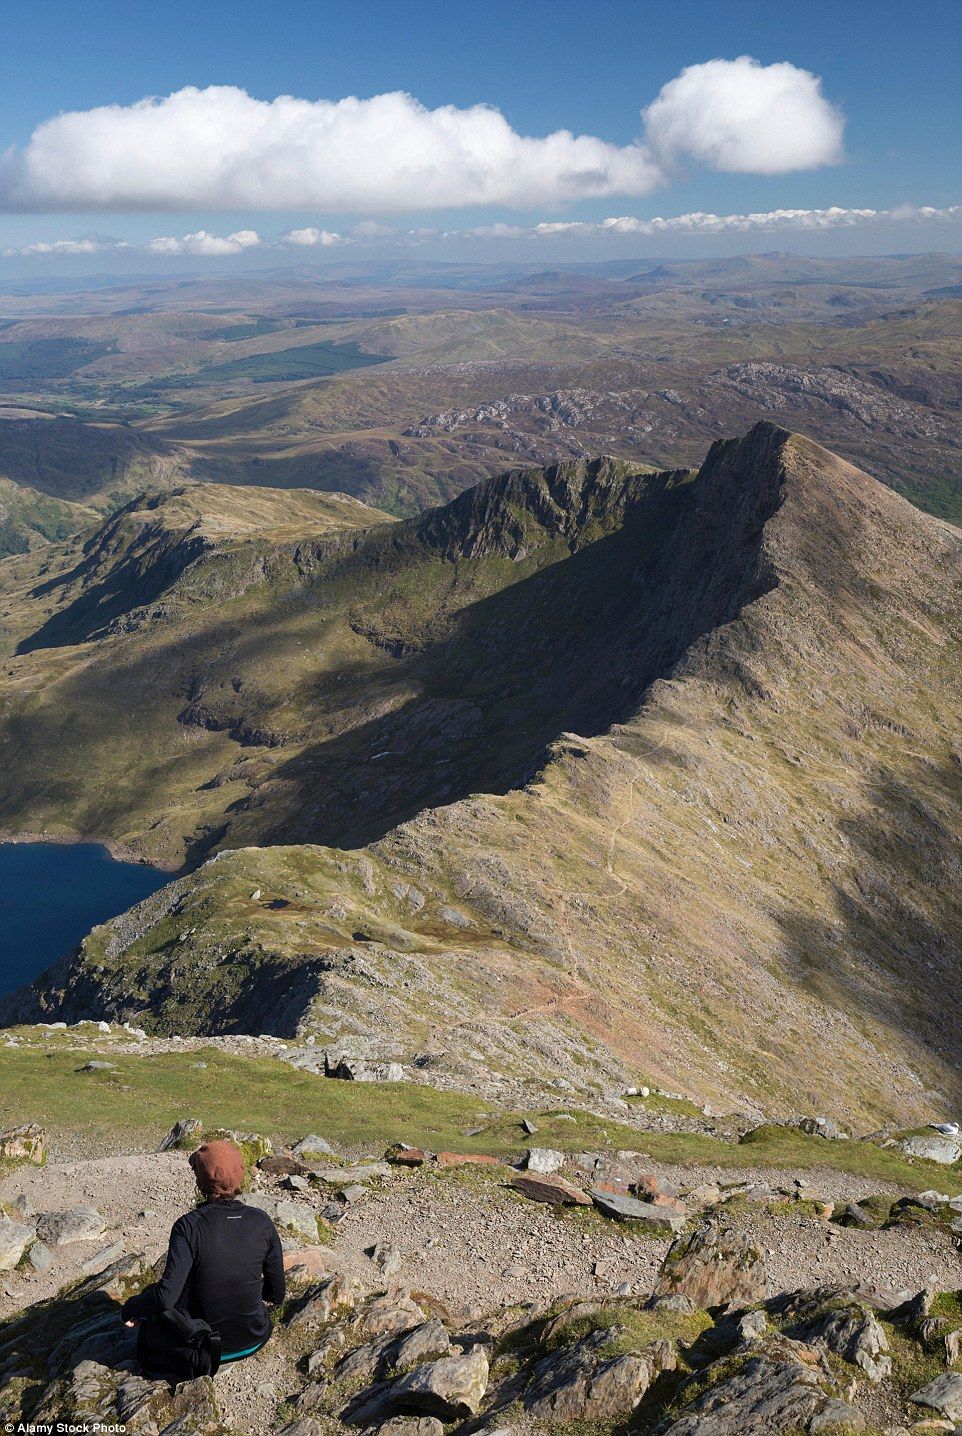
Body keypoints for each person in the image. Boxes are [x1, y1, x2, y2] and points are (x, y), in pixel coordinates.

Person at [121, 1138, 285, 1379]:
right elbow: (277, 1294)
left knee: (157, 1300)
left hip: (205, 1346)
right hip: (255, 1338)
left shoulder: (188, 1226)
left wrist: (130, 1308)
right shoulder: (262, 1221)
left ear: (200, 1182)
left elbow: (166, 1298)